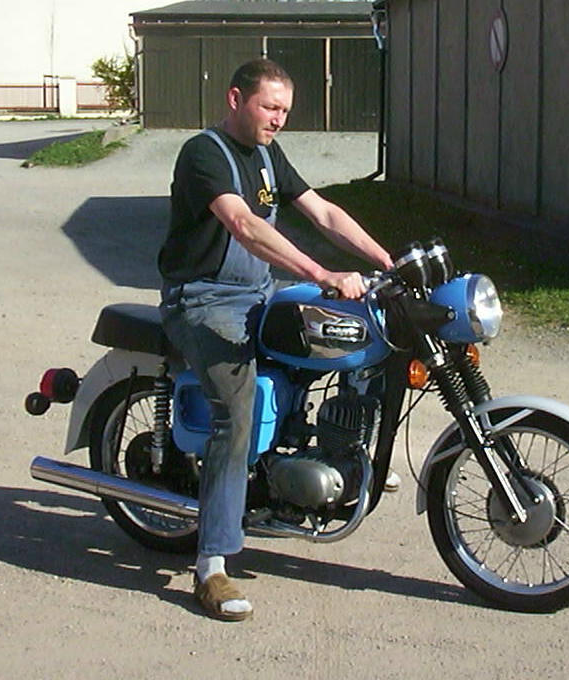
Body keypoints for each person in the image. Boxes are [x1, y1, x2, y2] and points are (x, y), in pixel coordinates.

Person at [158, 58, 394, 622]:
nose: (278, 119)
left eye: (285, 110)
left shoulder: (269, 155)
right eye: (269, 107)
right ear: (235, 99)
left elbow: (324, 212)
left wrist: (388, 262)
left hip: (258, 292)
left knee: (340, 334)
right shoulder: (204, 153)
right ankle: (212, 565)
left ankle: (318, 457)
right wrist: (321, 273)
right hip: (203, 299)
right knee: (235, 412)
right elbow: (244, 226)